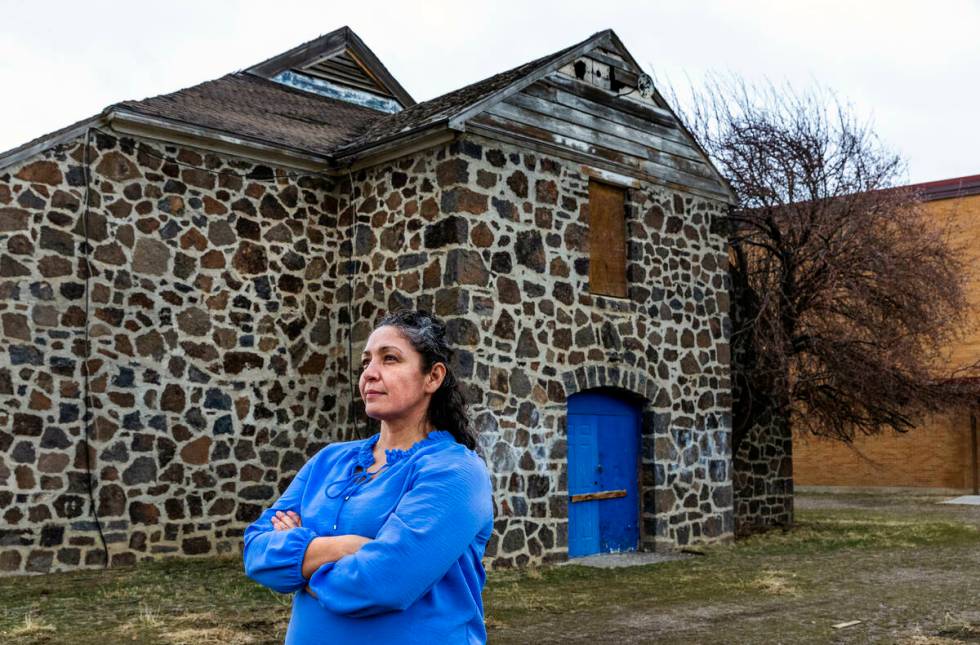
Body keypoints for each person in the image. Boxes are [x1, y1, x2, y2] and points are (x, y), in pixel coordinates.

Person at [243, 310, 494, 644]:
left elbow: (385, 582)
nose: (369, 374)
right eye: (365, 362)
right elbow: (256, 551)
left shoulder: (455, 471)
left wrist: (300, 566)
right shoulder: (331, 460)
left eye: (390, 359)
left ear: (432, 377)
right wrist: (343, 547)